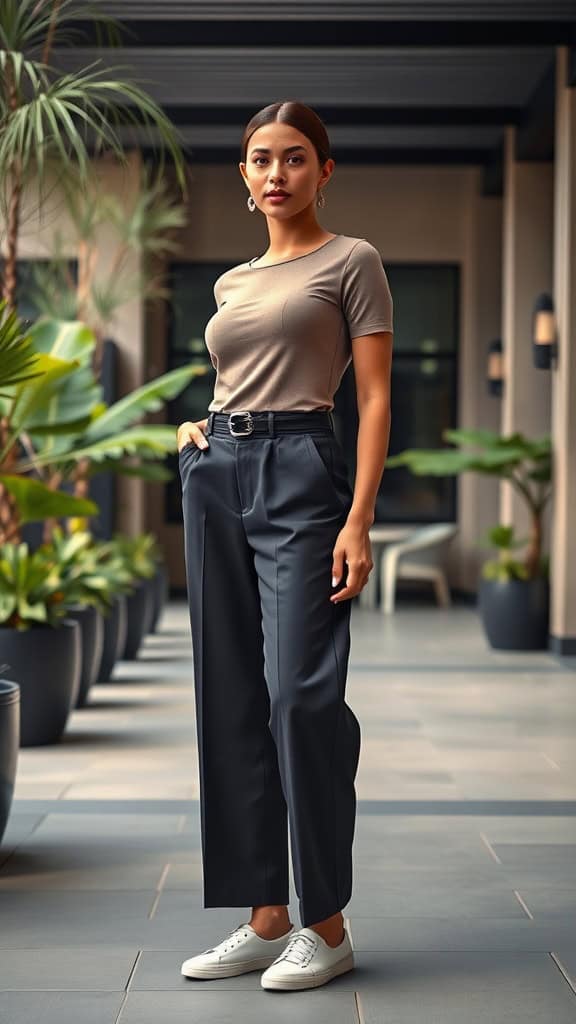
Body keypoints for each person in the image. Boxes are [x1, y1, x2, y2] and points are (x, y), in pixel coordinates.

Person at [177, 99, 393, 992]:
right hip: (217, 468)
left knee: (301, 694)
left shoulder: (353, 262)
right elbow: (232, 377)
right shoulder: (231, 282)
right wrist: (198, 430)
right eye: (261, 159)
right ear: (244, 174)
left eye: (295, 158)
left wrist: (358, 517)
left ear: (324, 170)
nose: (277, 174)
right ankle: (264, 915)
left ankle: (327, 922)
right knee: (229, 691)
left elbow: (375, 398)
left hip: (305, 469)